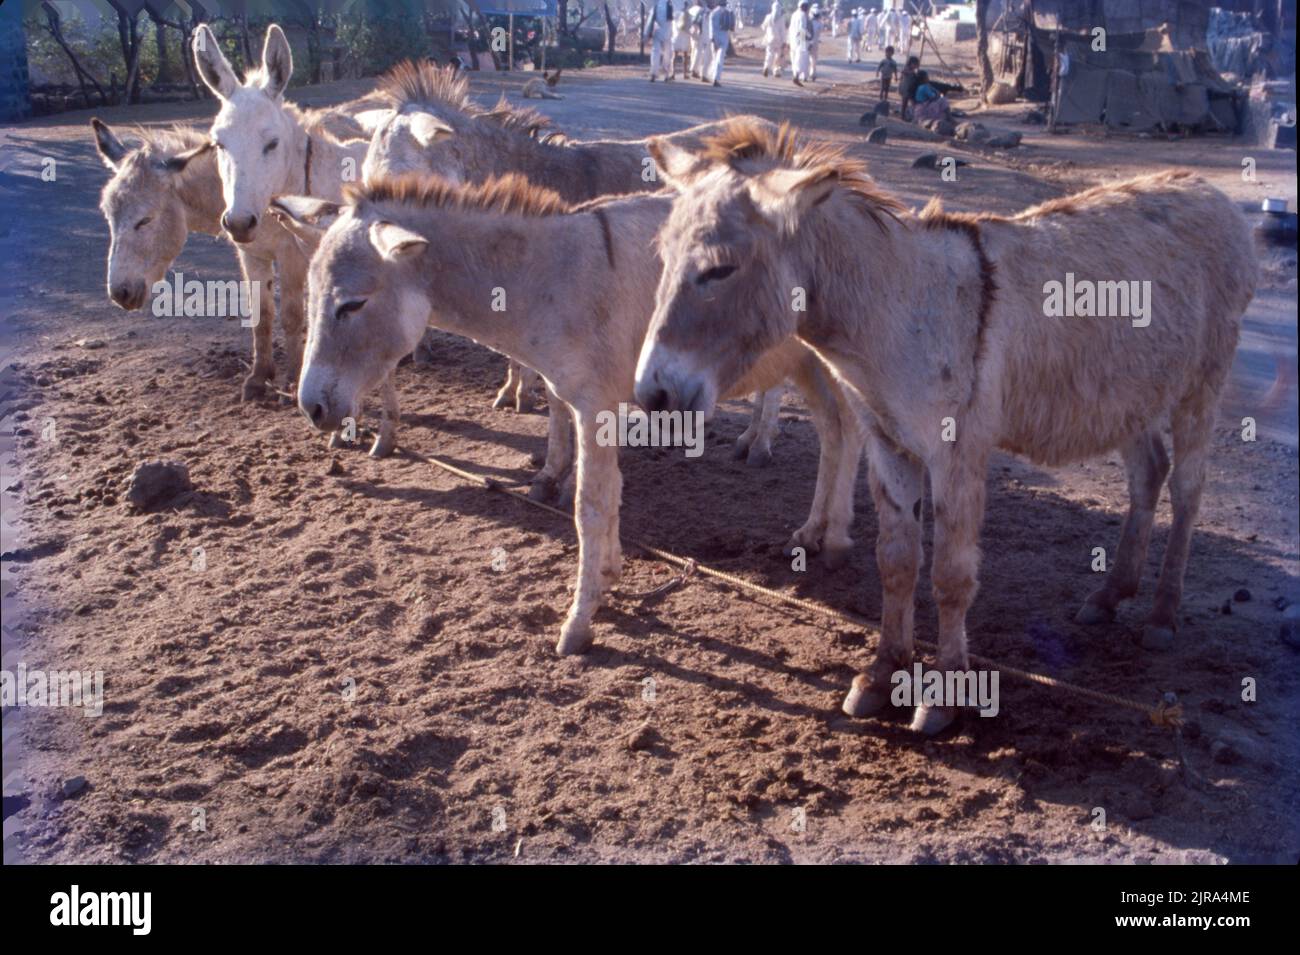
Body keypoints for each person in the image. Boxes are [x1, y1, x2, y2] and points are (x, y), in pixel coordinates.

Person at [646, 0, 675, 82]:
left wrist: (647, 34)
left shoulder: (657, 5)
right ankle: (666, 74)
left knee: (655, 52)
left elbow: (650, 20)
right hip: (668, 32)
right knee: (667, 53)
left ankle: (654, 73)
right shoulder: (671, 4)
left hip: (658, 31)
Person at [708, 0, 735, 86]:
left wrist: (711, 37)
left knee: (714, 58)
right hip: (724, 37)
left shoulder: (713, 13)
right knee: (720, 59)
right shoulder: (727, 12)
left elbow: (710, 26)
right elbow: (731, 27)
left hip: (715, 38)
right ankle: (716, 78)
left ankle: (712, 76)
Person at [788, 1, 813, 86]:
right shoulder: (802, 15)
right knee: (801, 59)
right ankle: (796, 76)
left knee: (795, 58)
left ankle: (795, 75)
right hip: (801, 40)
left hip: (793, 40)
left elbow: (791, 28)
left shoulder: (794, 14)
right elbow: (802, 29)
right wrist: (809, 37)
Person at [761, 1, 788, 78]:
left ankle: (766, 67)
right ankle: (776, 71)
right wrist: (784, 41)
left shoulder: (768, 17)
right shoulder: (781, 19)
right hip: (779, 40)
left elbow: (763, 27)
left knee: (769, 54)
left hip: (770, 40)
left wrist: (768, 30)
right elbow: (783, 31)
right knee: (778, 56)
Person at [671, 7, 693, 78]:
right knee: (685, 55)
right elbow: (690, 26)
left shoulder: (675, 14)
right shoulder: (688, 15)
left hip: (677, 35)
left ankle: (673, 73)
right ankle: (685, 73)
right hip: (685, 36)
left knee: (675, 55)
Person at [808, 4, 823, 81]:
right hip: (815, 42)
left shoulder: (808, 22)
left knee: (806, 58)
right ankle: (813, 73)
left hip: (807, 42)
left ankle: (804, 74)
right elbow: (820, 32)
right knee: (813, 59)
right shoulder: (819, 23)